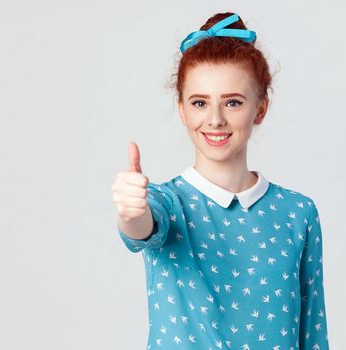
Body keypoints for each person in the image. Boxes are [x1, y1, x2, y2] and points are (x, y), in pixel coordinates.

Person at [111, 12, 330, 350]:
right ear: (183, 110)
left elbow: (313, 334)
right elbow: (141, 227)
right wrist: (130, 212)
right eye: (200, 103)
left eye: (232, 102)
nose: (215, 119)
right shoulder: (167, 204)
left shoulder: (298, 213)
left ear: (260, 109)